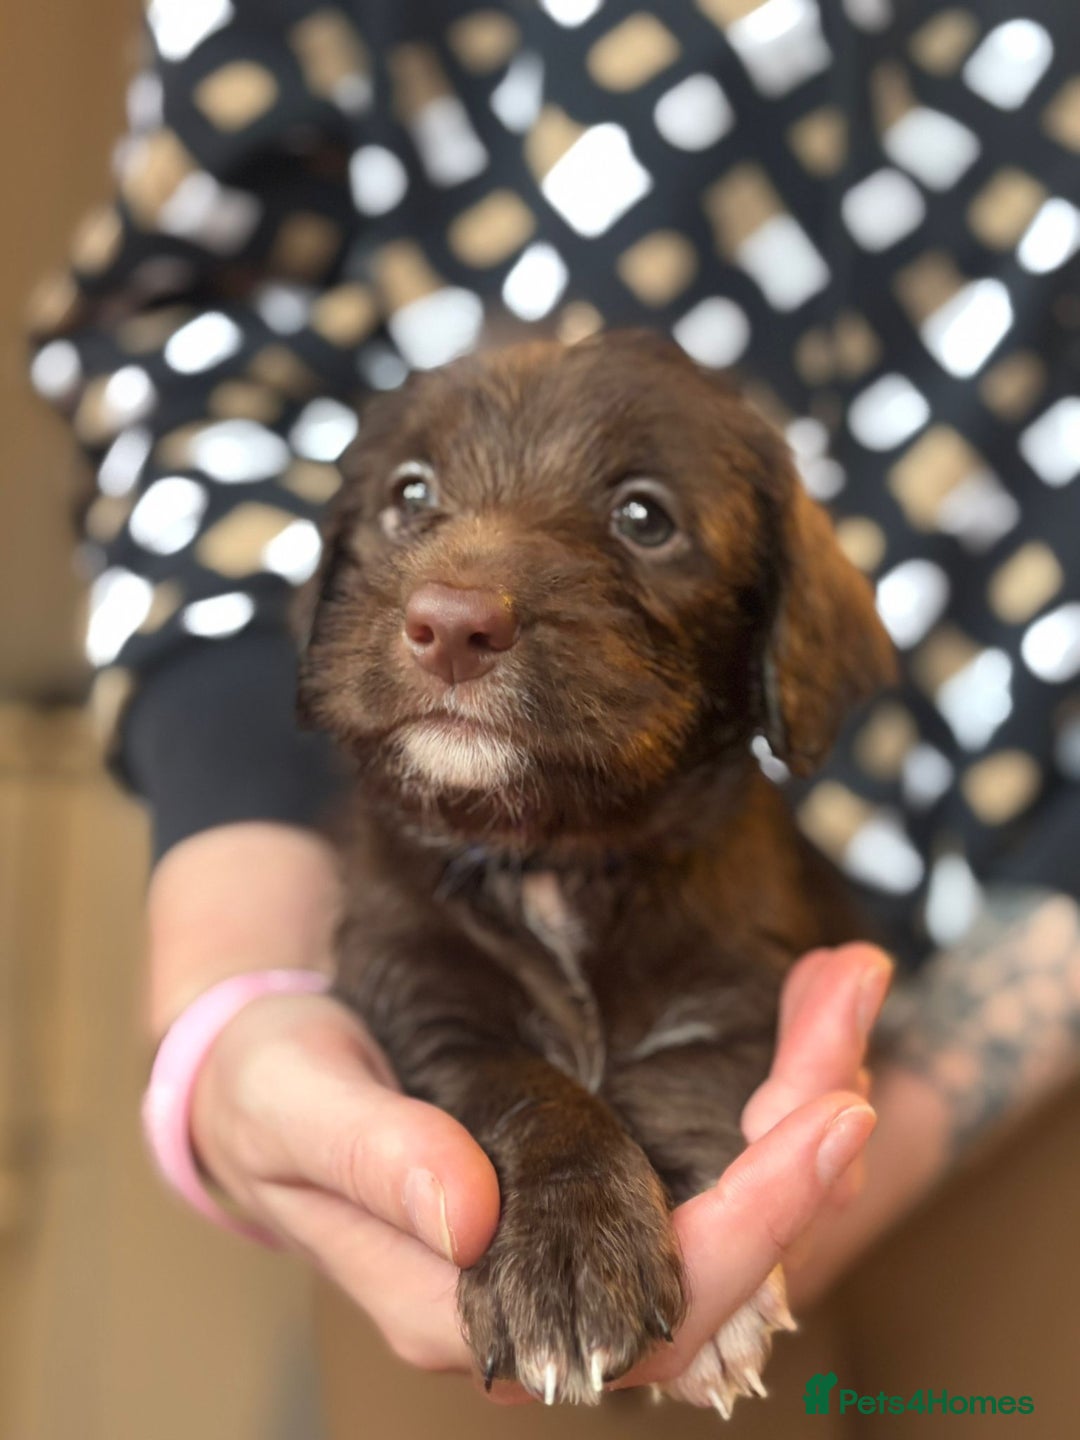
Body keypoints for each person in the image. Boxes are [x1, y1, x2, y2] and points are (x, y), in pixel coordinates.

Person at [28, 0, 1080, 1426]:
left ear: (781, 652)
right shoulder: (400, 908)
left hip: (1016, 1024)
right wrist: (232, 971)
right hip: (430, 1251)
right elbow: (187, 323)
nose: (456, 591)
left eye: (643, 517)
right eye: (411, 505)